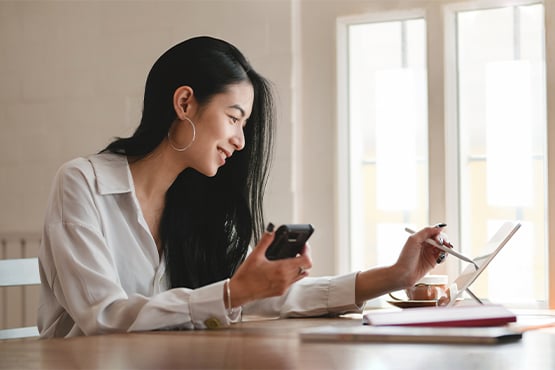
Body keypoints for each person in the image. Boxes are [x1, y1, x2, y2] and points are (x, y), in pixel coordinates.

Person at [37, 36, 448, 338]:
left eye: (244, 125)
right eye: (234, 118)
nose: (241, 140)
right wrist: (234, 293)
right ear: (184, 104)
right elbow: (103, 317)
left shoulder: (194, 202)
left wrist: (394, 276)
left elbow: (267, 299)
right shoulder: (83, 182)